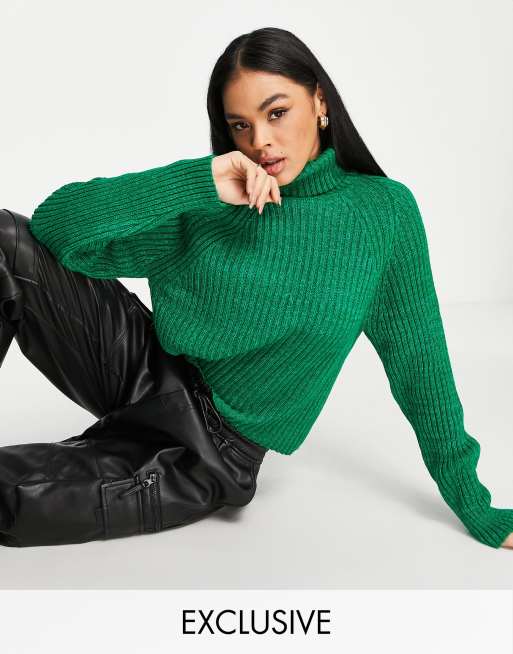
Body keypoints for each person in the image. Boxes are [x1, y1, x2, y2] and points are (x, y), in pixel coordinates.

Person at [1, 26, 512, 550]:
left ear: (319, 101)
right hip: (140, 367)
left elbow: (420, 365)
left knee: (10, 502)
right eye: (240, 125)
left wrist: (475, 504)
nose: (259, 141)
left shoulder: (382, 215)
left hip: (207, 451)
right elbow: (54, 228)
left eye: (277, 112)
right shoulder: (218, 198)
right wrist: (198, 181)